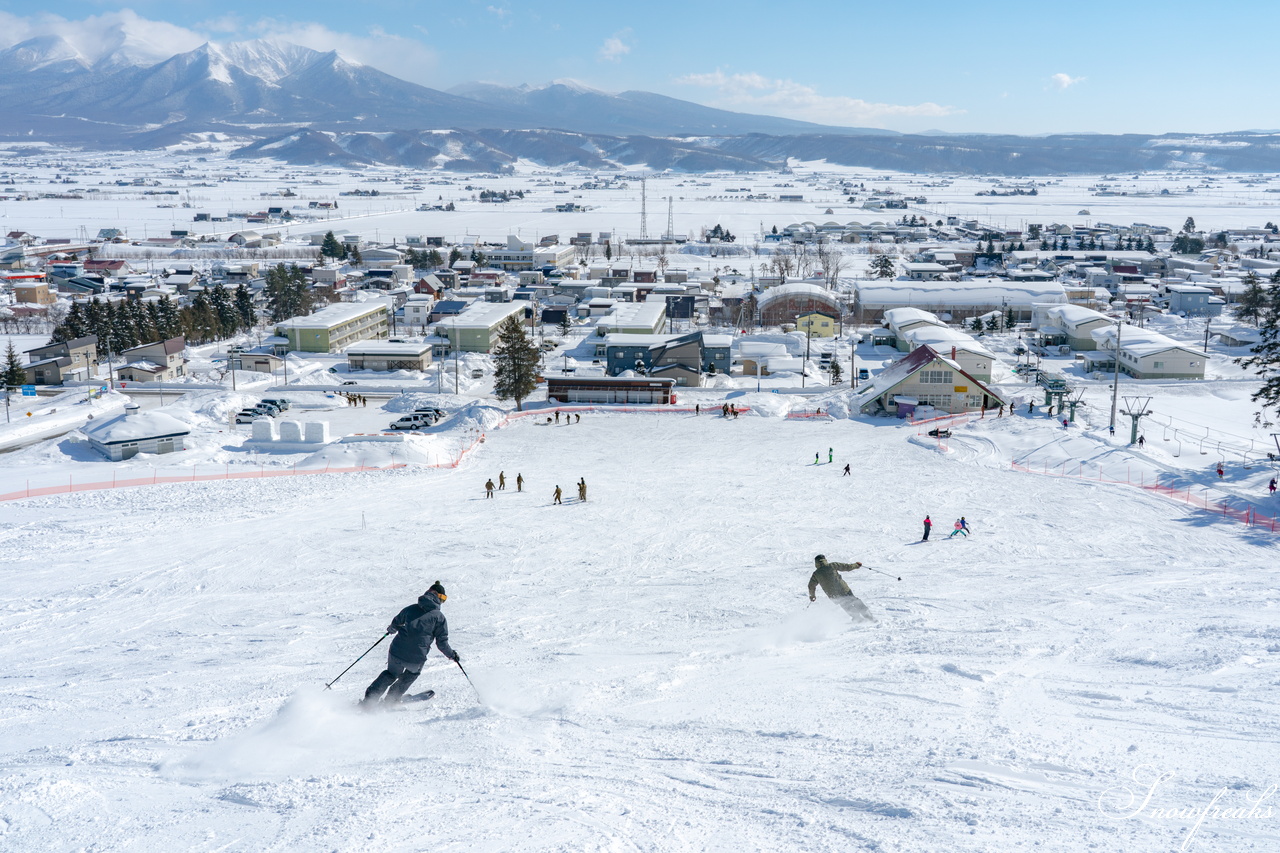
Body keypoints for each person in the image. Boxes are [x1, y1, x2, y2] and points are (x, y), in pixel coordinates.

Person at [362, 582, 458, 707]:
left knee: (390, 674)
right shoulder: (439, 618)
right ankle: (391, 700)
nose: (442, 602)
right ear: (436, 595)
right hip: (416, 658)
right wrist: (452, 655)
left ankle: (369, 701)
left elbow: (396, 623)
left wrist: (391, 629)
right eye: (443, 598)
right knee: (412, 674)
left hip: (396, 651)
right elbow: (442, 643)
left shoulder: (411, 608)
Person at [807, 555, 873, 621]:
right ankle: (868, 615)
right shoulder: (832, 565)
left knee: (845, 605)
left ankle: (857, 618)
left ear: (816, 563)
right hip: (843, 589)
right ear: (825, 560)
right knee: (854, 600)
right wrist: (856, 565)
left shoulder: (816, 574)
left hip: (833, 594)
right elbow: (847, 567)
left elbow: (811, 586)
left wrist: (812, 596)